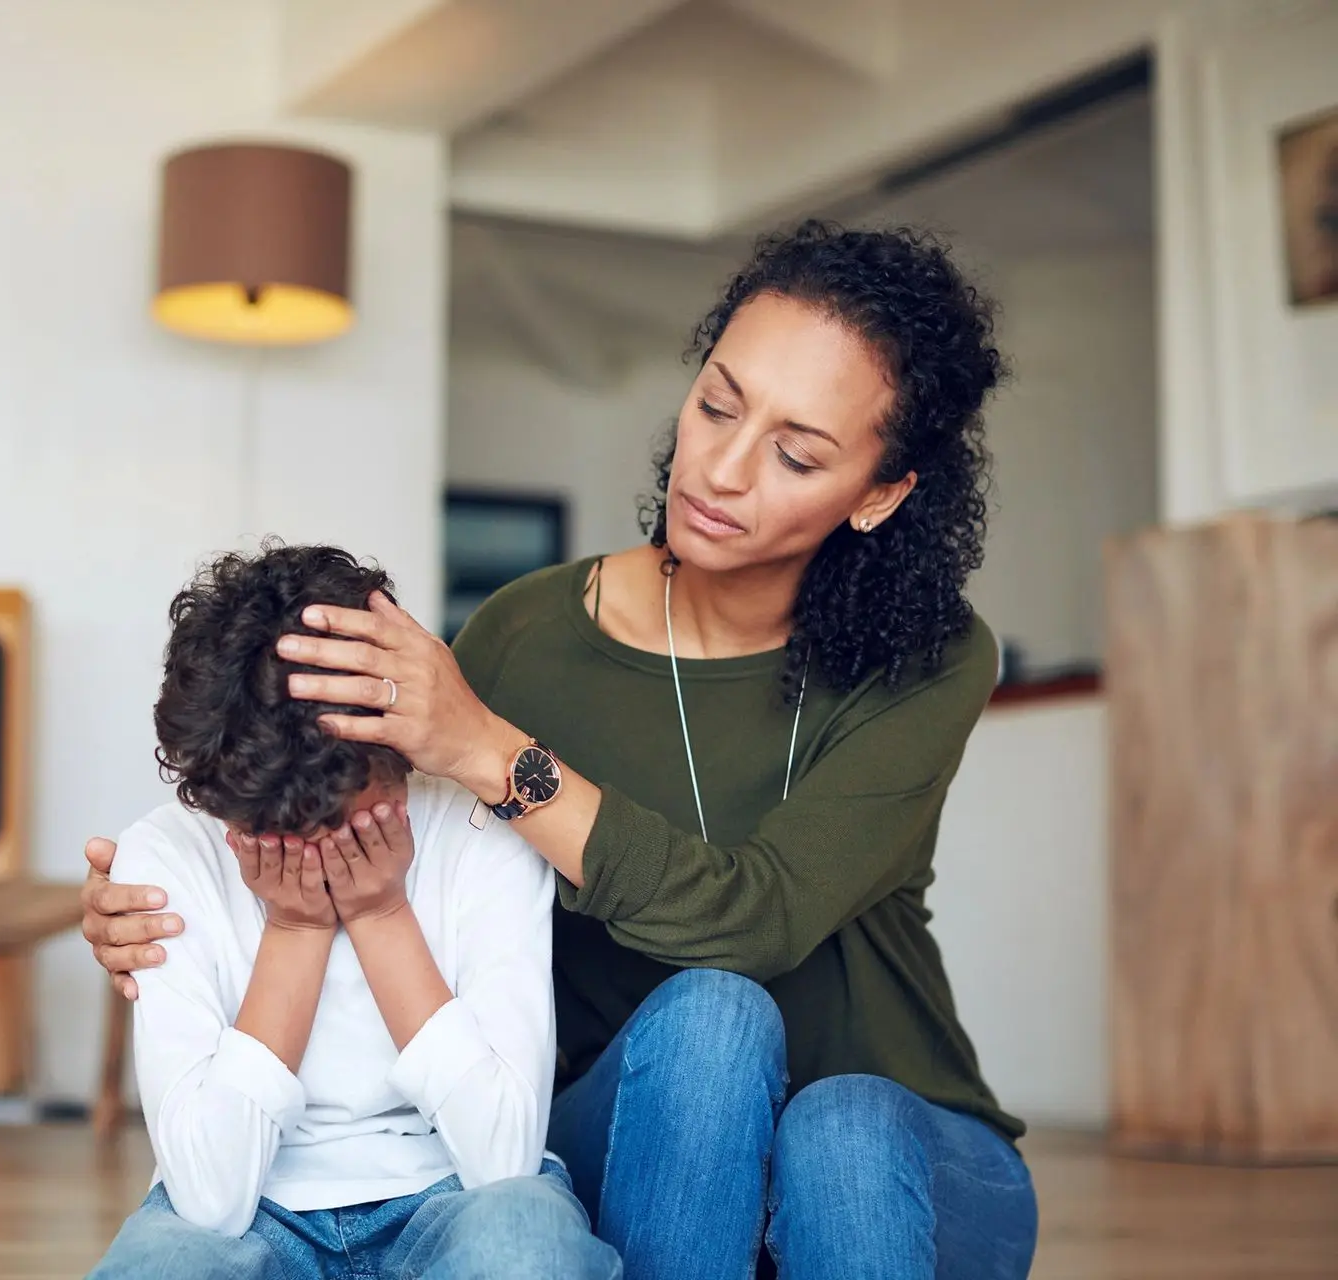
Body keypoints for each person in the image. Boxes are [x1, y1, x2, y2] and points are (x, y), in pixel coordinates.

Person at [84, 220, 1039, 1279]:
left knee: (840, 1125)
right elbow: (348, 816)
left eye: (796, 452)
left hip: (894, 1148)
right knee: (703, 1032)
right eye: (717, 403)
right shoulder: (526, 634)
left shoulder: (930, 660)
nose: (719, 469)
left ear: (879, 492)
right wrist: (169, 887)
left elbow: (756, 917)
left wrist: (491, 748)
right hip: (633, 1128)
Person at [87, 544, 620, 1280]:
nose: (316, 852)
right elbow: (211, 1201)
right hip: (256, 1220)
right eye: (280, 834)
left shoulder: (483, 829)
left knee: (525, 1240)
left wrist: (380, 914)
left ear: (395, 746)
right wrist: (294, 929)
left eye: (348, 820)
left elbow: (503, 1161)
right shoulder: (167, 855)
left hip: (451, 1201)